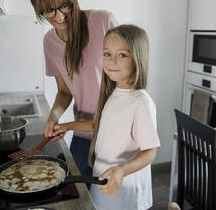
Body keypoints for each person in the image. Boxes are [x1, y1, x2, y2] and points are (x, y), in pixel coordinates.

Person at [51, 25, 160, 210]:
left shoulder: (141, 103)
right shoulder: (114, 92)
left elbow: (150, 152)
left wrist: (121, 171)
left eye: (122, 55)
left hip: (124, 189)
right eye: (107, 54)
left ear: (138, 58)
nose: (112, 62)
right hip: (103, 180)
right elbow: (100, 126)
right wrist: (67, 126)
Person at [28, 0, 117, 176]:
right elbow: (64, 92)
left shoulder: (104, 22)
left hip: (115, 133)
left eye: (64, 6)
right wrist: (53, 118)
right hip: (83, 133)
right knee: (80, 197)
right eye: (49, 11)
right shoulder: (50, 42)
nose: (60, 16)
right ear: (39, 11)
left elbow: (128, 82)